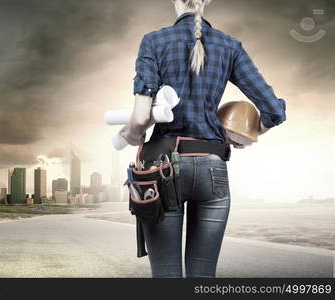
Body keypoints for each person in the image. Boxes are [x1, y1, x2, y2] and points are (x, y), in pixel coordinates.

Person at [119, 0, 286, 278]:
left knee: (166, 277)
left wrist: (131, 134)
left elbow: (139, 119)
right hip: (212, 168)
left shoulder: (154, 41)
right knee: (203, 277)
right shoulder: (229, 46)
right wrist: (241, 136)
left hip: (162, 169)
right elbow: (273, 110)